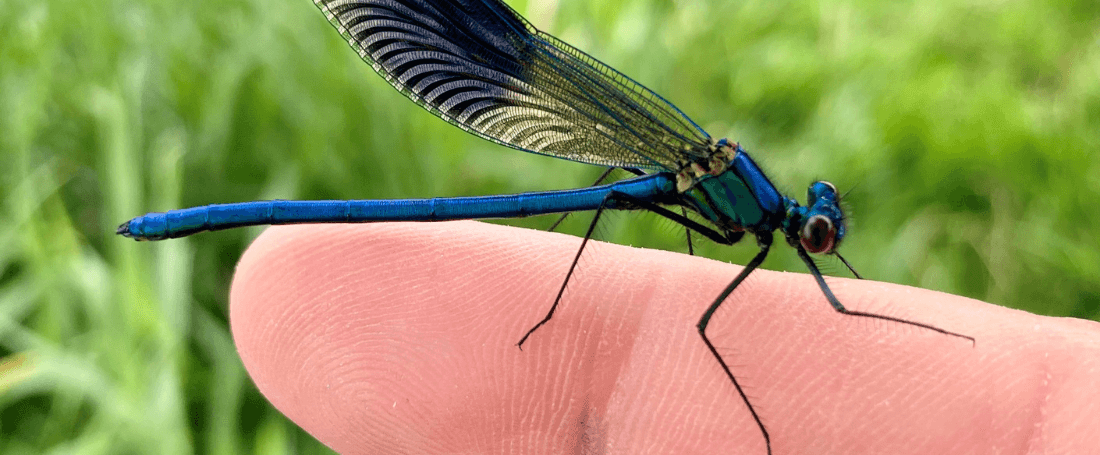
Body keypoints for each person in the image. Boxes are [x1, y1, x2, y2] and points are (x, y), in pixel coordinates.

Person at [230, 222, 1100, 454]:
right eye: (819, 241)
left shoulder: (761, 218)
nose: (816, 247)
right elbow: (830, 312)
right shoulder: (763, 221)